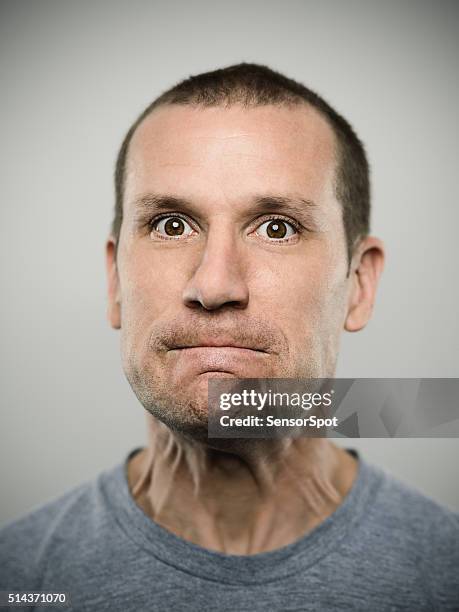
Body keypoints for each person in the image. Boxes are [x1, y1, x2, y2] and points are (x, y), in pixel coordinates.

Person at [1, 63, 458, 611]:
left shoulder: (444, 576)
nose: (213, 285)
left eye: (277, 227)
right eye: (171, 224)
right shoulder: (19, 579)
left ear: (358, 285)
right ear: (115, 281)